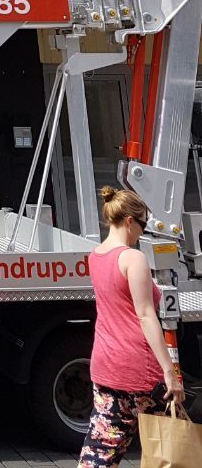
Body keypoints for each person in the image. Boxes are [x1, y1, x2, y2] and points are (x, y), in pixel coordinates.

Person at [78, 186, 184, 468]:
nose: (142, 232)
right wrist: (169, 372)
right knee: (171, 452)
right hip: (140, 370)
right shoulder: (132, 258)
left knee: (100, 452)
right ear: (129, 221)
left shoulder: (96, 255)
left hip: (105, 367)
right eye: (142, 225)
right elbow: (146, 316)